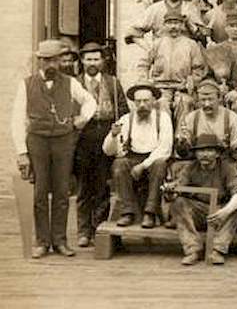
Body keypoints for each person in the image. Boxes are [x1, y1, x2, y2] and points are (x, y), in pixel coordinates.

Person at [12, 39, 97, 258]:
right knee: (40, 193)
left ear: (61, 61)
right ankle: (42, 242)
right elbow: (17, 119)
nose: (51, 65)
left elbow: (90, 102)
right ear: (40, 61)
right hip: (37, 142)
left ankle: (60, 241)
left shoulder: (70, 83)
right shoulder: (26, 84)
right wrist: (22, 152)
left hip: (63, 141)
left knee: (62, 191)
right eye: (46, 60)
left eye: (55, 60)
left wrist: (82, 119)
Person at [163, 133, 237, 266]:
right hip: (198, 213)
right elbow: (179, 188)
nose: (204, 154)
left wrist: (224, 212)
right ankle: (192, 249)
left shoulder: (227, 167)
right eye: (200, 150)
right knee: (178, 203)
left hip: (221, 214)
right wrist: (170, 192)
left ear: (217, 153)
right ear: (196, 154)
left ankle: (218, 249)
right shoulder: (191, 168)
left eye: (209, 150)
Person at [74, 42, 129, 246]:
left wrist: (119, 134)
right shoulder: (74, 83)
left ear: (103, 61)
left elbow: (123, 111)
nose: (92, 63)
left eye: (96, 59)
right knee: (83, 187)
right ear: (82, 61)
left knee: (102, 186)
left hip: (106, 137)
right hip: (82, 139)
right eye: (88, 59)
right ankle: (83, 232)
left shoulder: (113, 83)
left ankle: (99, 228)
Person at [102, 81, 172, 229]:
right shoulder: (127, 119)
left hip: (154, 159)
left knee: (160, 164)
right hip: (133, 158)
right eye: (138, 101)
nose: (142, 105)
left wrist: (143, 166)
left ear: (153, 101)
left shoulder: (163, 118)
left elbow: (165, 148)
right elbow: (108, 151)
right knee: (119, 164)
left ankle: (150, 213)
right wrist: (113, 136)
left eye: (146, 101)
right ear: (133, 103)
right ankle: (128, 212)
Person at [136, 11, 207, 124]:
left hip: (182, 88)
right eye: (170, 23)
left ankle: (182, 138)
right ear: (164, 25)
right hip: (161, 87)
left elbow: (198, 68)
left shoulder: (191, 44)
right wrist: (145, 80)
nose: (173, 26)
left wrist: (192, 81)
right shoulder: (157, 44)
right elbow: (143, 64)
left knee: (184, 104)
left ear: (182, 25)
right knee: (161, 105)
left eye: (177, 23)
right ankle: (164, 136)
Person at [174, 80, 237, 182]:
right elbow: (183, 153)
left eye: (210, 99)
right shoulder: (191, 118)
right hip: (199, 163)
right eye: (203, 100)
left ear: (219, 99)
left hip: (223, 163)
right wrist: (182, 142)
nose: (206, 104)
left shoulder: (231, 117)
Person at [125, 0, 206, 47]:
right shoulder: (154, 9)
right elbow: (132, 32)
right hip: (161, 56)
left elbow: (203, 36)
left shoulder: (189, 8)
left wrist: (190, 24)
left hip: (185, 56)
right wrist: (149, 48)